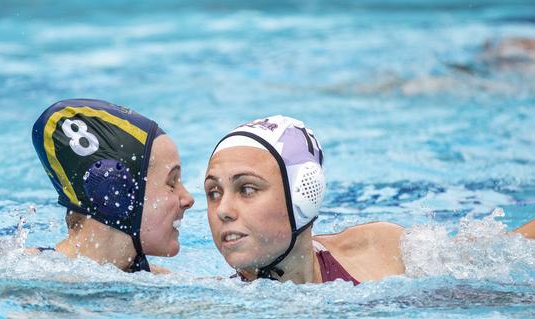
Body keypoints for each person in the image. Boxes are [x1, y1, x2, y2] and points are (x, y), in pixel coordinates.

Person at [204, 115, 534, 284]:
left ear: (302, 195)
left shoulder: (380, 249)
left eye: (247, 189)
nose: (223, 211)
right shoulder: (215, 300)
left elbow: (502, 257)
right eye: (213, 193)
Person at [0, 99, 194, 273]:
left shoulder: (156, 281)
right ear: (113, 192)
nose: (188, 199)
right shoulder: (10, 272)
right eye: (171, 182)